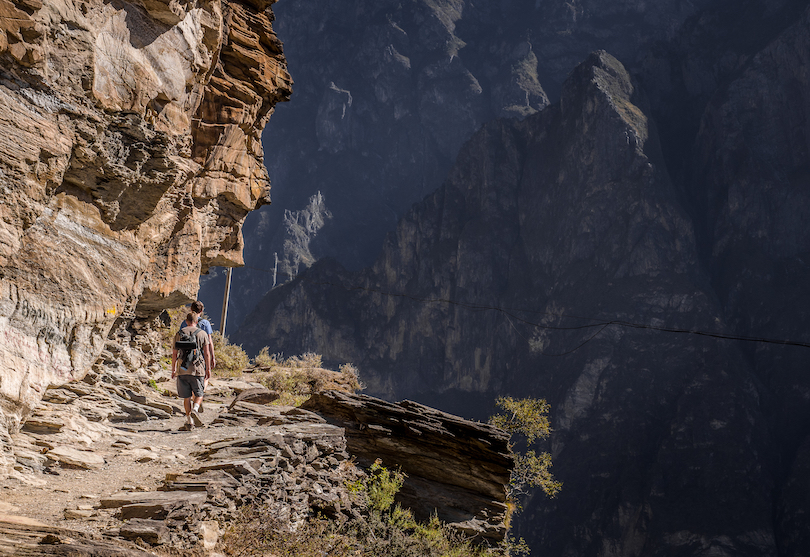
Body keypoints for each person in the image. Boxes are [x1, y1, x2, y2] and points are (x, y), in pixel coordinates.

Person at [171, 312, 212, 430]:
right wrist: (208, 368)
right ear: (197, 321)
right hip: (197, 369)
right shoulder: (202, 333)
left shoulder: (179, 333)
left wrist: (173, 369)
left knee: (186, 397)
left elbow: (174, 354)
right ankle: (195, 409)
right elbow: (207, 353)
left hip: (182, 369)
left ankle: (190, 422)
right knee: (199, 394)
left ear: (186, 321)